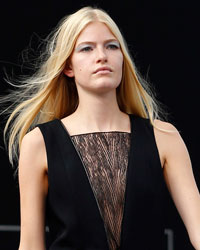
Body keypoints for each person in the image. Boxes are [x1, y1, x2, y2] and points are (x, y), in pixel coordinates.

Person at [2, 6, 200, 250]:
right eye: (87, 48)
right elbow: (31, 245)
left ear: (122, 59)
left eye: (112, 46)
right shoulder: (39, 143)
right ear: (68, 67)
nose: (102, 56)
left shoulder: (164, 136)